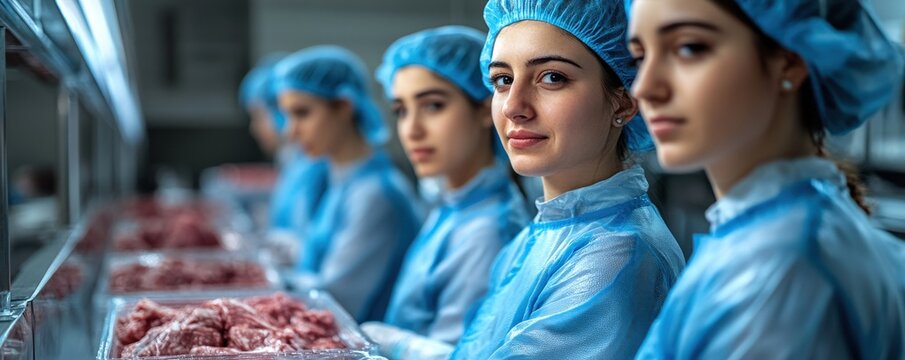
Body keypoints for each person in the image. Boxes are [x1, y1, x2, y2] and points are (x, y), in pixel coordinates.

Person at [626, 0, 905, 358]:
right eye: (640, 57)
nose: (644, 88)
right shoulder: (785, 234)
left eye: (688, 48)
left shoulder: (779, 274)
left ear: (790, 58)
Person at [450, 0, 686, 358]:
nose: (514, 105)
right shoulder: (544, 234)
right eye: (503, 80)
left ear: (624, 103)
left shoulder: (614, 254)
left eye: (552, 77)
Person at [360, 26, 531, 359]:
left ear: (485, 109)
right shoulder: (453, 204)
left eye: (433, 105)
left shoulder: (487, 232)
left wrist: (392, 343)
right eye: (401, 110)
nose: (412, 130)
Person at [274, 45, 423, 322]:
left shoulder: (375, 194)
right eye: (287, 116)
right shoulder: (343, 179)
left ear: (343, 106)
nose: (290, 131)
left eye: (302, 113)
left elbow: (336, 301)